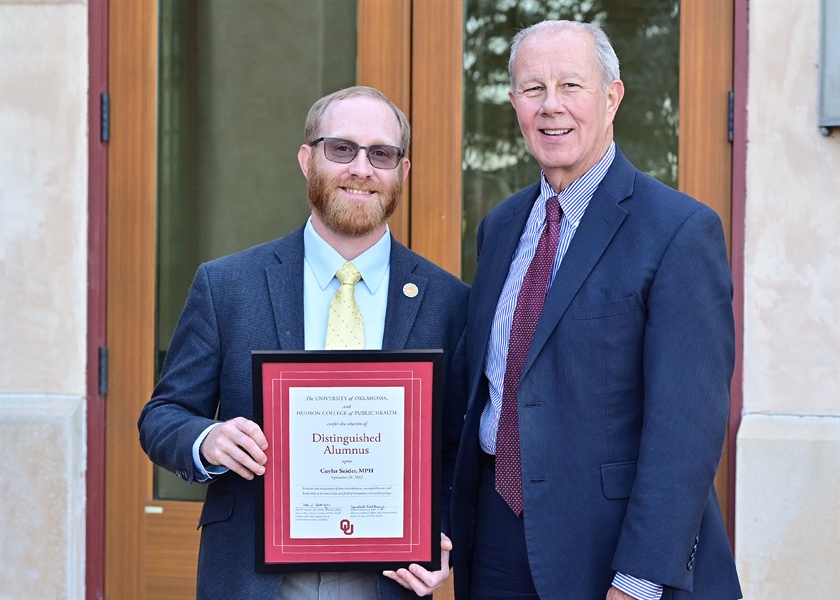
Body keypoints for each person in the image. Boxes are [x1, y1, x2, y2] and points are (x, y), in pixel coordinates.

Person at [139, 86, 468, 600]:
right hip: (254, 576)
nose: (361, 168)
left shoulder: (449, 301)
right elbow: (164, 415)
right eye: (341, 148)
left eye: (381, 153)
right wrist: (209, 439)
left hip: (386, 581)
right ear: (306, 159)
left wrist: (441, 536)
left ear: (403, 173)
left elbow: (456, 449)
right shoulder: (227, 286)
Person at [450, 20, 742, 600]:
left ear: (612, 97)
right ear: (513, 104)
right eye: (533, 89)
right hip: (496, 541)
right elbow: (479, 389)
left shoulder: (679, 231)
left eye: (571, 86)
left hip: (611, 550)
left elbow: (686, 430)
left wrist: (639, 579)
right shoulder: (501, 227)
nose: (550, 106)